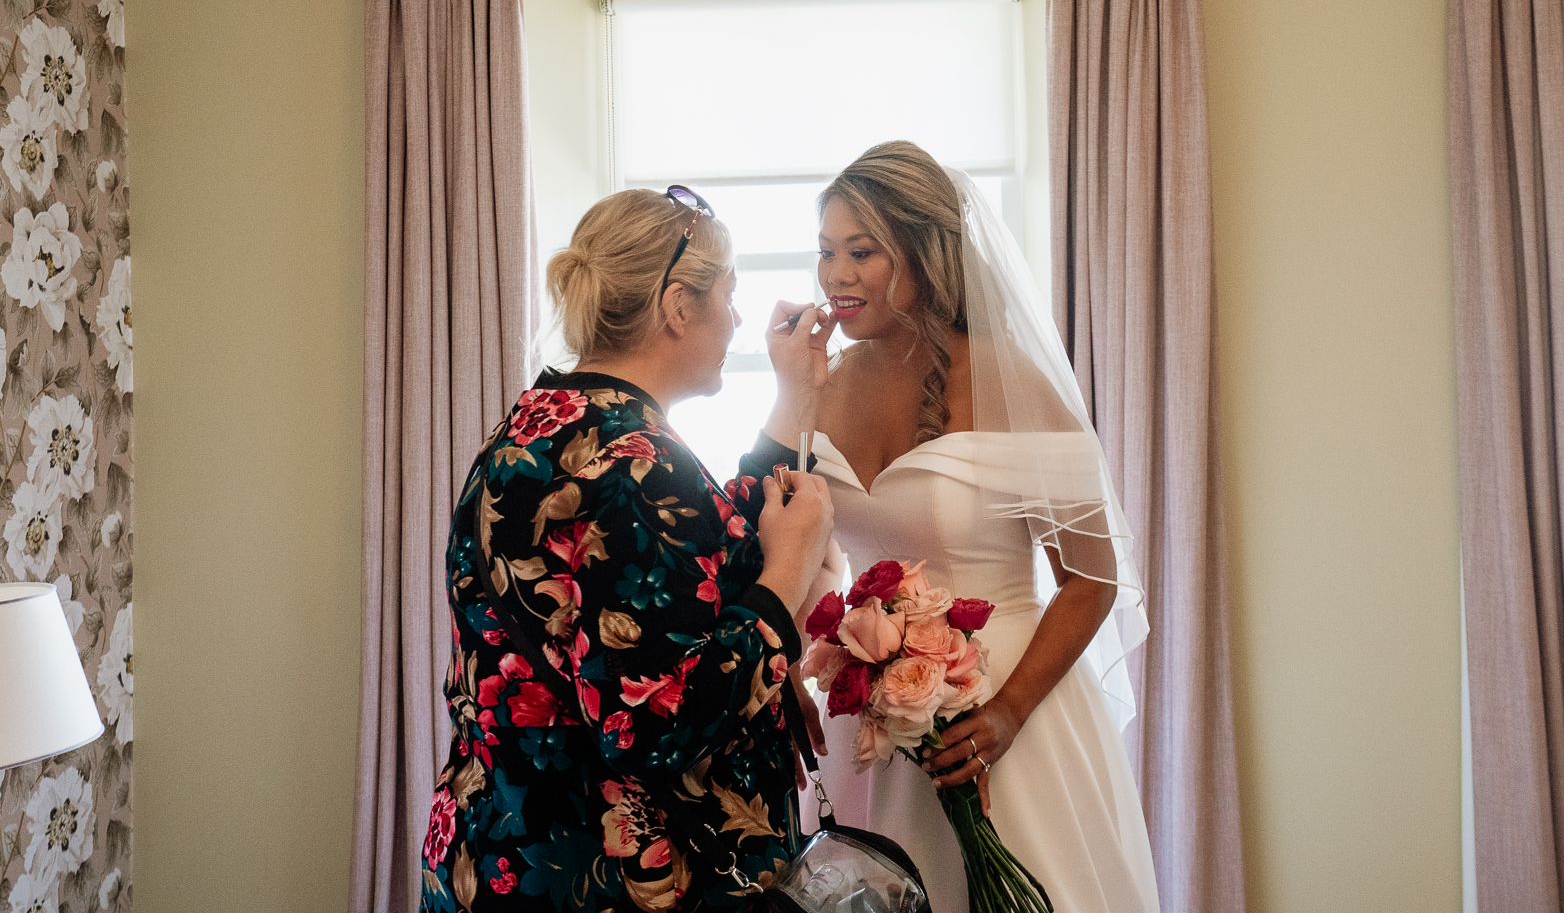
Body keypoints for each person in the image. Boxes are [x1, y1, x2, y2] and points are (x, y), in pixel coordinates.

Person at [421, 185, 839, 911]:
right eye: (728, 296)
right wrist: (786, 584)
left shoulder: (539, 424)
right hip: (605, 874)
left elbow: (688, 558)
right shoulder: (639, 465)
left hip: (500, 850)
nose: (737, 319)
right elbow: (657, 725)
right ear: (679, 307)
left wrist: (792, 397)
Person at [792, 141, 1160, 913]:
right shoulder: (818, 386)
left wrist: (1006, 712)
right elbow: (800, 548)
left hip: (1007, 710)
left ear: (924, 256)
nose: (835, 275)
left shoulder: (1012, 382)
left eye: (862, 252)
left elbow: (1091, 579)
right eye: (826, 252)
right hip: (872, 728)